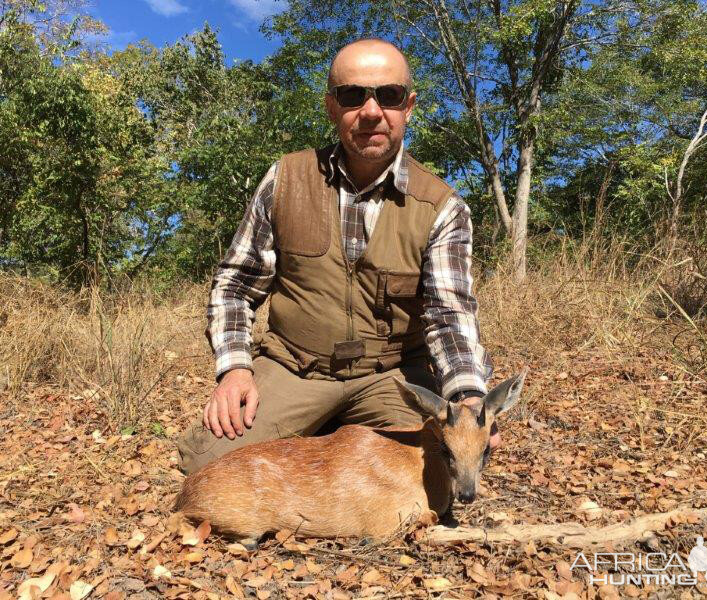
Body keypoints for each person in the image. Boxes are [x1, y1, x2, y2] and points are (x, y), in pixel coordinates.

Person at [177, 38, 496, 476]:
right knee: (210, 465)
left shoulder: (442, 206)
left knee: (439, 475)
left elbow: (449, 314)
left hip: (392, 377)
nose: (370, 111)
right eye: (352, 96)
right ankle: (325, 428)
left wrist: (467, 401)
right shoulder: (285, 178)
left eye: (389, 95)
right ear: (332, 106)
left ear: (409, 106)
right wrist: (234, 370)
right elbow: (235, 285)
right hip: (296, 368)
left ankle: (330, 434)